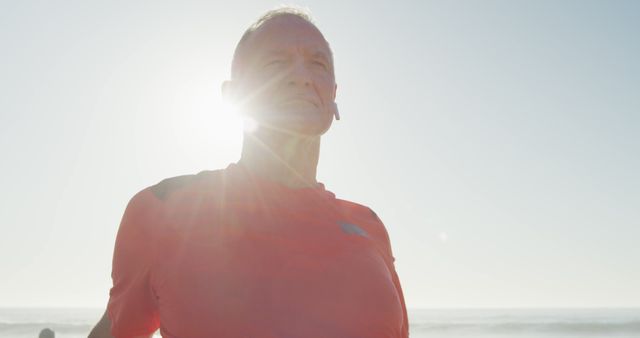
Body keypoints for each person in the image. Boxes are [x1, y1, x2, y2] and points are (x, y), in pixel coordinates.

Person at [89, 7, 408, 338]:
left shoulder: (369, 227)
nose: (302, 76)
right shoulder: (164, 209)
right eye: (276, 63)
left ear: (333, 95)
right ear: (234, 97)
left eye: (318, 63)